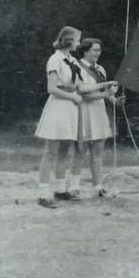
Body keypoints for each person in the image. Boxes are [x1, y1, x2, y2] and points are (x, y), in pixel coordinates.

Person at [34, 26, 115, 207]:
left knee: (64, 150)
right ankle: (43, 193)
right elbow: (52, 88)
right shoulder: (55, 60)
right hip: (58, 106)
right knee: (50, 152)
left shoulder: (72, 61)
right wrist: (72, 97)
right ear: (68, 40)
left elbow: (83, 87)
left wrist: (107, 84)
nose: (79, 43)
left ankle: (61, 189)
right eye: (77, 39)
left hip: (71, 108)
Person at [73, 38, 123, 196]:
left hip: (99, 112)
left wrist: (115, 101)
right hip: (84, 111)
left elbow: (105, 93)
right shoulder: (77, 67)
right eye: (94, 50)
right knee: (80, 151)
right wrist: (107, 93)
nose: (97, 53)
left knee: (97, 152)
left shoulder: (100, 69)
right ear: (85, 50)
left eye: (99, 50)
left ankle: (98, 187)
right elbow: (85, 95)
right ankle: (73, 187)